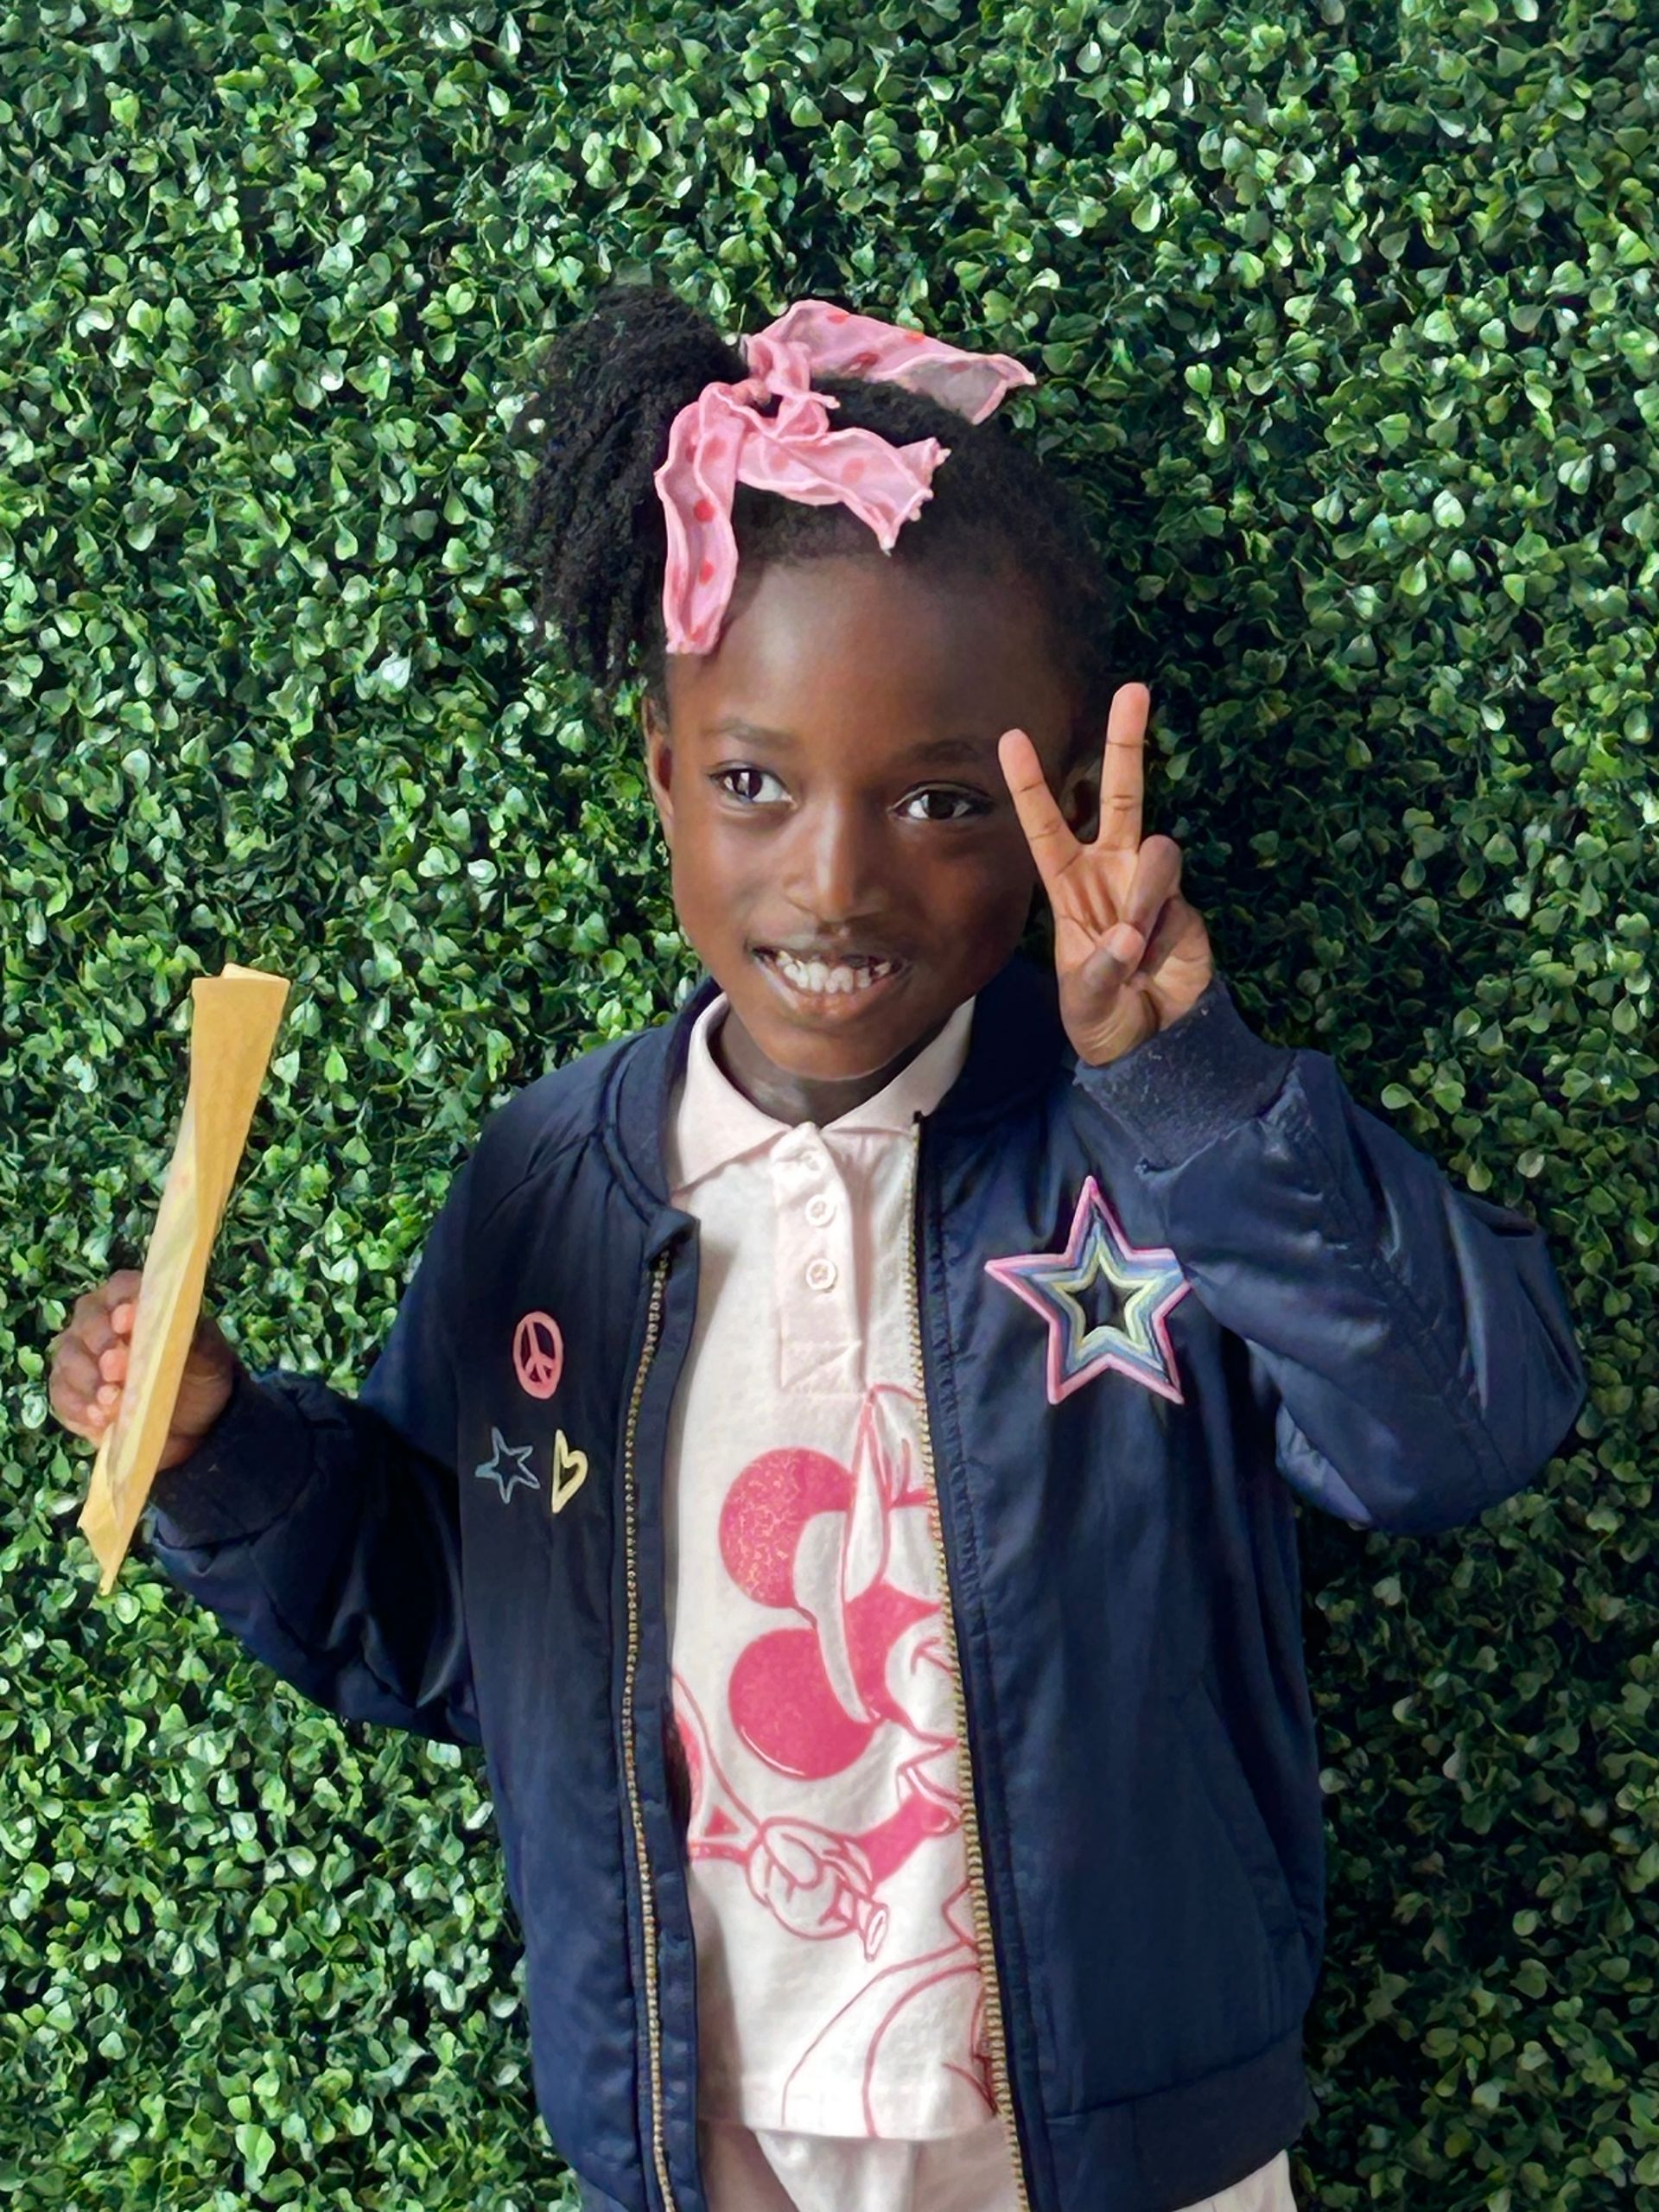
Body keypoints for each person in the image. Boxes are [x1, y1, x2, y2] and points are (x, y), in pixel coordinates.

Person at [48, 282, 1588, 2212]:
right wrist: (219, 1456)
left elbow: (1455, 1429)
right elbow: (458, 1616)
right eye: (756, 780)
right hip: (709, 2145)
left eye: (945, 797)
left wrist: (1191, 1091)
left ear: (1046, 810)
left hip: (1132, 2155)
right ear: (661, 776)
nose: (838, 877)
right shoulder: (550, 1187)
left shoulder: (1145, 1156)